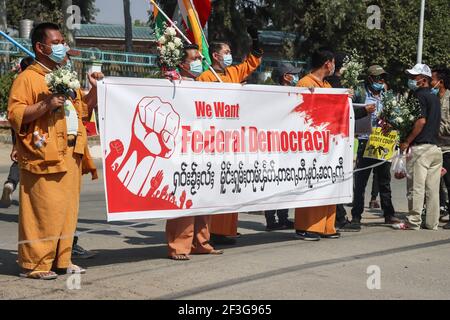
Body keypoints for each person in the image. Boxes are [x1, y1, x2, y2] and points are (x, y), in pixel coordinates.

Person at [8, 22, 100, 279]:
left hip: (71, 153)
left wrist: (94, 89)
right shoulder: (28, 78)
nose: (63, 46)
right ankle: (36, 265)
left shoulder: (65, 76)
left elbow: (82, 111)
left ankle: (62, 259)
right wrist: (45, 104)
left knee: (67, 211)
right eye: (57, 42)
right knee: (43, 211)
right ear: (40, 47)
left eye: (62, 41)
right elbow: (15, 114)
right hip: (43, 153)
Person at [196, 27, 263, 245]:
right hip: (213, 140)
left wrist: (255, 39)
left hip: (234, 140)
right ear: (215, 55)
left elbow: (253, 62)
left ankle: (228, 229)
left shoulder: (234, 72)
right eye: (225, 52)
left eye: (229, 52)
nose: (229, 55)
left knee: (231, 184)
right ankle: (211, 230)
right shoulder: (205, 78)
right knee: (215, 185)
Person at [164, 44, 223, 260]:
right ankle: (179, 246)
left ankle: (202, 242)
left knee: (203, 197)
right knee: (183, 198)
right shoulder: (172, 84)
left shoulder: (205, 83)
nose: (199, 61)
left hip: (204, 147)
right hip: (182, 149)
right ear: (182, 64)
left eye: (200, 57)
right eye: (194, 58)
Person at [341, 65, 401, 232]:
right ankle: (356, 217)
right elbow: (348, 111)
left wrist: (391, 123)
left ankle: (389, 214)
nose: (380, 81)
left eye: (382, 78)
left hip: (383, 142)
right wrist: (363, 110)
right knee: (361, 182)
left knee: (384, 181)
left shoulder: (387, 96)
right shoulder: (360, 93)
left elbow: (396, 116)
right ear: (369, 79)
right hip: (365, 141)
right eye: (377, 78)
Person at [294, 48, 341, 241]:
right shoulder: (305, 83)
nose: (334, 66)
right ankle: (306, 226)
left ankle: (325, 226)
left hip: (327, 142)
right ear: (327, 63)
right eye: (333, 62)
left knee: (327, 182)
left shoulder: (327, 85)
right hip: (310, 142)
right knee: (311, 183)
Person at [325, 56, 377, 229]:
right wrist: (363, 111)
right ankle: (338, 218)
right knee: (336, 180)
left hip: (333, 139)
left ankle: (336, 217)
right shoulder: (333, 84)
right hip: (334, 139)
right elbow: (343, 113)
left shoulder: (328, 83)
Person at [393, 64, 442, 231]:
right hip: (435, 149)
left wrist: (407, 140)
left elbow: (421, 121)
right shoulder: (435, 97)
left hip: (420, 149)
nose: (412, 80)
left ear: (424, 79)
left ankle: (413, 221)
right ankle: (432, 222)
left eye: (415, 77)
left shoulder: (418, 95)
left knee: (416, 187)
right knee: (432, 189)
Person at [1, 57, 34, 208]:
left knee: (19, 158)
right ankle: (32, 199)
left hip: (19, 125)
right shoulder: (36, 81)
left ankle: (10, 183)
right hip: (37, 127)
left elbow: (14, 112)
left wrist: (15, 144)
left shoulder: (18, 81)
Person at [432, 66, 450, 229]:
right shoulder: (435, 97)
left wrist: (434, 128)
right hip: (436, 147)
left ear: (441, 82)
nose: (431, 82)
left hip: (448, 147)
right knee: (436, 183)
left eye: (433, 79)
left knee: (449, 181)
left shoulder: (449, 98)